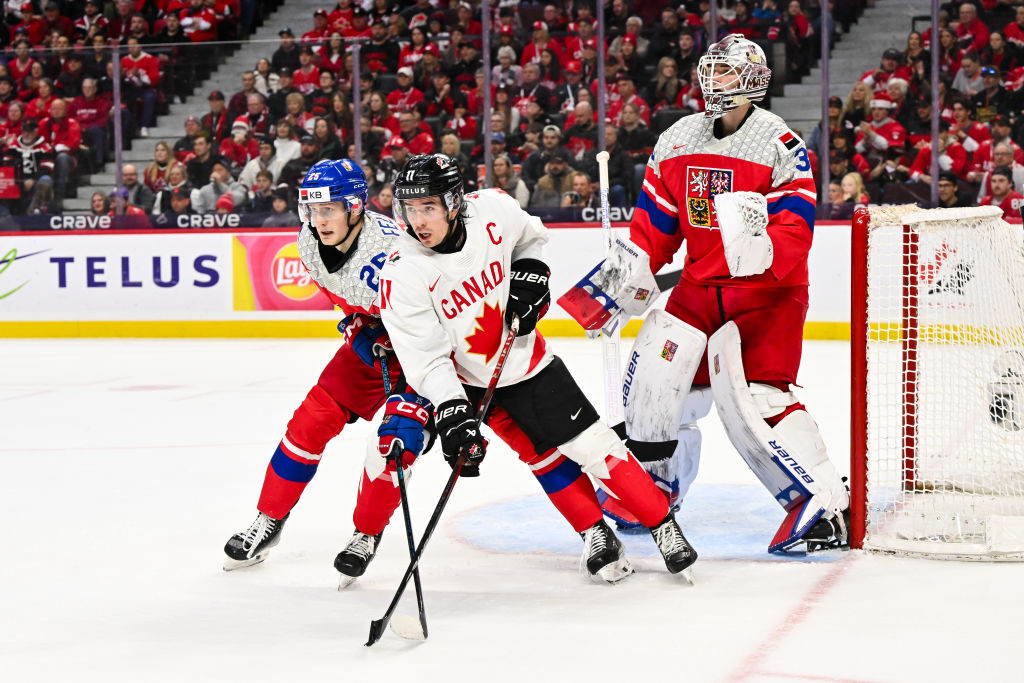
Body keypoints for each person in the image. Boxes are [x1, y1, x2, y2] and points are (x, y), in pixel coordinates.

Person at [558, 34, 851, 554]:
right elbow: (655, 228)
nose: (714, 81)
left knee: (758, 399)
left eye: (727, 72)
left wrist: (761, 250)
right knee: (655, 385)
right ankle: (655, 490)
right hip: (698, 289)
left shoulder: (779, 143)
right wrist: (618, 284)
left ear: (754, 81)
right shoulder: (677, 139)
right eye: (710, 70)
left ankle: (825, 502)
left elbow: (795, 227)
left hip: (766, 294)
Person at [381, 153, 697, 582]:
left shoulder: (493, 209)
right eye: (410, 208)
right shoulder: (402, 272)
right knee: (542, 459)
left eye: (428, 207)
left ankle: (663, 525)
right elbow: (425, 356)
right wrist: (452, 410)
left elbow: (530, 238)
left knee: (595, 446)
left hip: (529, 365)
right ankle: (595, 533)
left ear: (454, 203)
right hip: (471, 385)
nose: (418, 220)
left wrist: (531, 273)